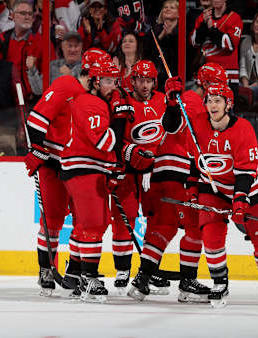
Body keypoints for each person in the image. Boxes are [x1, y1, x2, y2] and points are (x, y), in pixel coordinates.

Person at [132, 82, 258, 304]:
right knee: (210, 236)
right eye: (209, 100)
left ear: (228, 104)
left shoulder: (243, 128)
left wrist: (240, 201)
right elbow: (184, 148)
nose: (212, 105)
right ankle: (220, 282)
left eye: (218, 100)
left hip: (245, 190)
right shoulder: (197, 124)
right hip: (212, 190)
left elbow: (246, 173)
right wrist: (192, 188)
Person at [128, 62, 228, 303]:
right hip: (178, 173)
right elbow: (173, 125)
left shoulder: (194, 100)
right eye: (217, 85)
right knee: (195, 226)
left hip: (164, 172)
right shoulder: (194, 100)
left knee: (163, 227)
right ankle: (187, 281)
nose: (221, 90)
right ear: (206, 84)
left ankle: (142, 280)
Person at [24, 48, 111, 297]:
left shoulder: (97, 98)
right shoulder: (66, 84)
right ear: (93, 74)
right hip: (54, 162)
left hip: (79, 167)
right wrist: (39, 150)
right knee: (52, 220)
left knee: (84, 222)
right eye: (104, 76)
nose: (109, 82)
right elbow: (37, 119)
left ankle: (74, 272)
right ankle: (46, 270)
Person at [58, 60, 133, 302]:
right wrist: (119, 120)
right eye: (109, 81)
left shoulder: (88, 101)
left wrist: (111, 168)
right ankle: (90, 279)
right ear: (96, 81)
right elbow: (104, 142)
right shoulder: (92, 103)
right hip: (84, 169)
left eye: (114, 81)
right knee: (94, 224)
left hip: (83, 168)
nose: (113, 86)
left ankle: (78, 275)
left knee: (86, 226)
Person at [109, 60, 165, 293]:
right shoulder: (123, 101)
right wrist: (128, 152)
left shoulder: (163, 100)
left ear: (155, 82)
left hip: (155, 172)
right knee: (124, 220)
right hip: (128, 170)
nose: (144, 84)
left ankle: (148, 270)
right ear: (131, 80)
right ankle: (122, 270)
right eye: (140, 79)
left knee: (157, 222)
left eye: (149, 80)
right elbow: (115, 134)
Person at [190, 0, 243, 95]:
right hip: (206, 73)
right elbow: (194, 43)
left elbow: (230, 44)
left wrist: (211, 29)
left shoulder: (234, 18)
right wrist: (203, 25)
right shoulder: (203, 17)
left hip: (227, 74)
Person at [0, 0, 43, 105]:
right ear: (12, 16)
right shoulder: (1, 40)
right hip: (6, 102)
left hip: (32, 103)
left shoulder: (42, 42)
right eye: (22, 13)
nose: (27, 17)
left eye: (30, 14)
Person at [27, 31, 83, 95]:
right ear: (63, 47)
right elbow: (39, 91)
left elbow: (89, 94)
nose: (73, 50)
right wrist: (32, 70)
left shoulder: (88, 67)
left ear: (81, 47)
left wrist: (71, 78)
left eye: (76, 46)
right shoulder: (53, 65)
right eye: (69, 46)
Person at [152, 0, 179, 92]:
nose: (167, 9)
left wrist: (172, 34)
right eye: (165, 7)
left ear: (179, 14)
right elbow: (150, 51)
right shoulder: (155, 30)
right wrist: (161, 36)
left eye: (172, 7)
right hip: (160, 76)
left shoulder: (183, 30)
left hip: (177, 75)